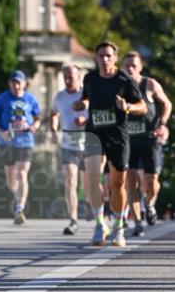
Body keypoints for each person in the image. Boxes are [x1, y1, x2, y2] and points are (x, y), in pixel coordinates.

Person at [73, 41, 146, 247]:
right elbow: (87, 98)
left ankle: (118, 226)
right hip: (95, 133)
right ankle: (100, 224)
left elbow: (143, 107)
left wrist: (128, 106)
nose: (104, 59)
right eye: (101, 56)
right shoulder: (90, 78)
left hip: (118, 135)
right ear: (96, 58)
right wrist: (82, 104)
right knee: (93, 176)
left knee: (117, 184)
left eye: (108, 55)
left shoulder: (124, 80)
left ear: (115, 58)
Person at [121, 51, 172, 237]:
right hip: (128, 140)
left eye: (134, 65)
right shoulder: (118, 86)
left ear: (140, 67)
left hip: (150, 138)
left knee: (151, 182)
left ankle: (149, 204)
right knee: (130, 181)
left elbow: (167, 104)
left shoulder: (149, 84)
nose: (130, 68)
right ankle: (137, 223)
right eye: (127, 65)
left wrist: (163, 123)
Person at [0, 70, 41, 224]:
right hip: (7, 142)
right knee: (11, 178)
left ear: (24, 83)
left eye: (19, 82)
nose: (16, 86)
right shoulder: (2, 98)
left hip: (25, 141)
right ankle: (18, 197)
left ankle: (19, 208)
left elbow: (38, 118)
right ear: (9, 84)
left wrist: (34, 126)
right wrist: (1, 132)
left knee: (22, 173)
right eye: (13, 82)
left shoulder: (30, 99)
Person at [49, 64, 91, 235]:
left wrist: (85, 121)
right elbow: (53, 113)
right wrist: (53, 130)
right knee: (70, 182)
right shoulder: (59, 97)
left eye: (71, 77)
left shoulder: (88, 95)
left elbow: (98, 114)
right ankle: (73, 220)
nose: (67, 80)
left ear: (79, 77)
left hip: (89, 144)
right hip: (68, 145)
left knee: (89, 186)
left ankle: (94, 208)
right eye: (65, 77)